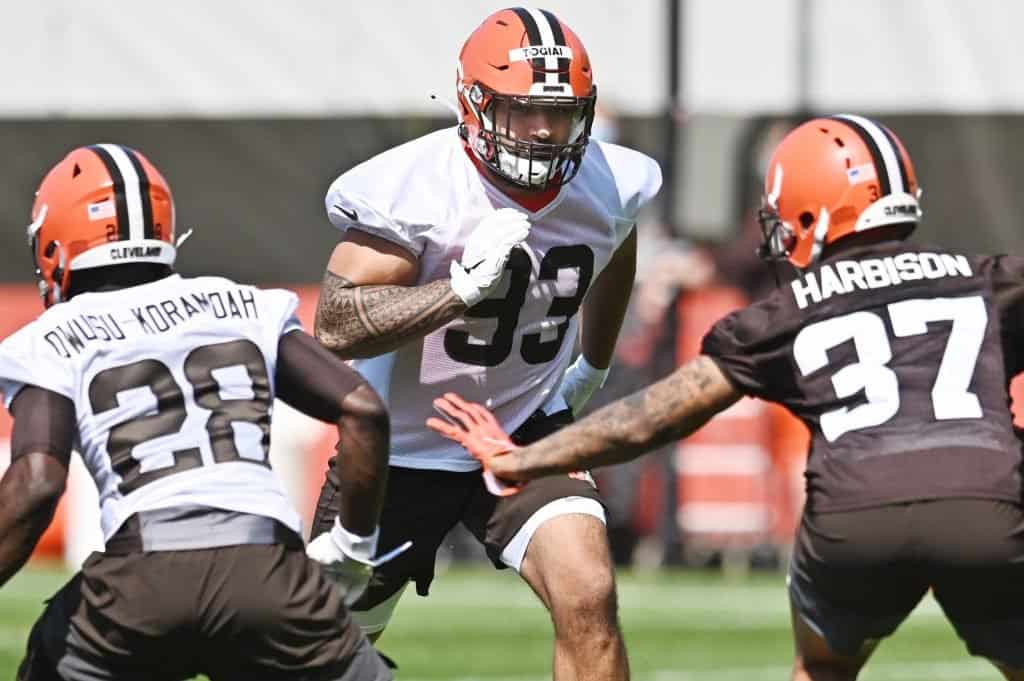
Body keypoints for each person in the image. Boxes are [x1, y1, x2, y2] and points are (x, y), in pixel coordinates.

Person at [427, 114, 1024, 681]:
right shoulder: (990, 279)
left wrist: (526, 456)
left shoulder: (789, 311)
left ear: (812, 214)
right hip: (988, 499)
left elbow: (651, 417)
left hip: (855, 513)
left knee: (824, 668)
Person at [309, 7, 661, 680]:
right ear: (472, 104)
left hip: (523, 422)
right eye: (520, 110)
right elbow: (336, 321)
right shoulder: (415, 190)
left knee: (588, 590)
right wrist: (455, 292)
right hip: (401, 447)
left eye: (557, 113)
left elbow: (616, 245)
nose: (541, 130)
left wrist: (593, 361)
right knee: (319, 654)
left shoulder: (610, 182)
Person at [0, 144, 394, 681]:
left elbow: (39, 480)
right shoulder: (245, 305)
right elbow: (364, 410)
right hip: (269, 573)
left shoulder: (47, 340)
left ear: (56, 244)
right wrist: (352, 548)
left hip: (138, 583)